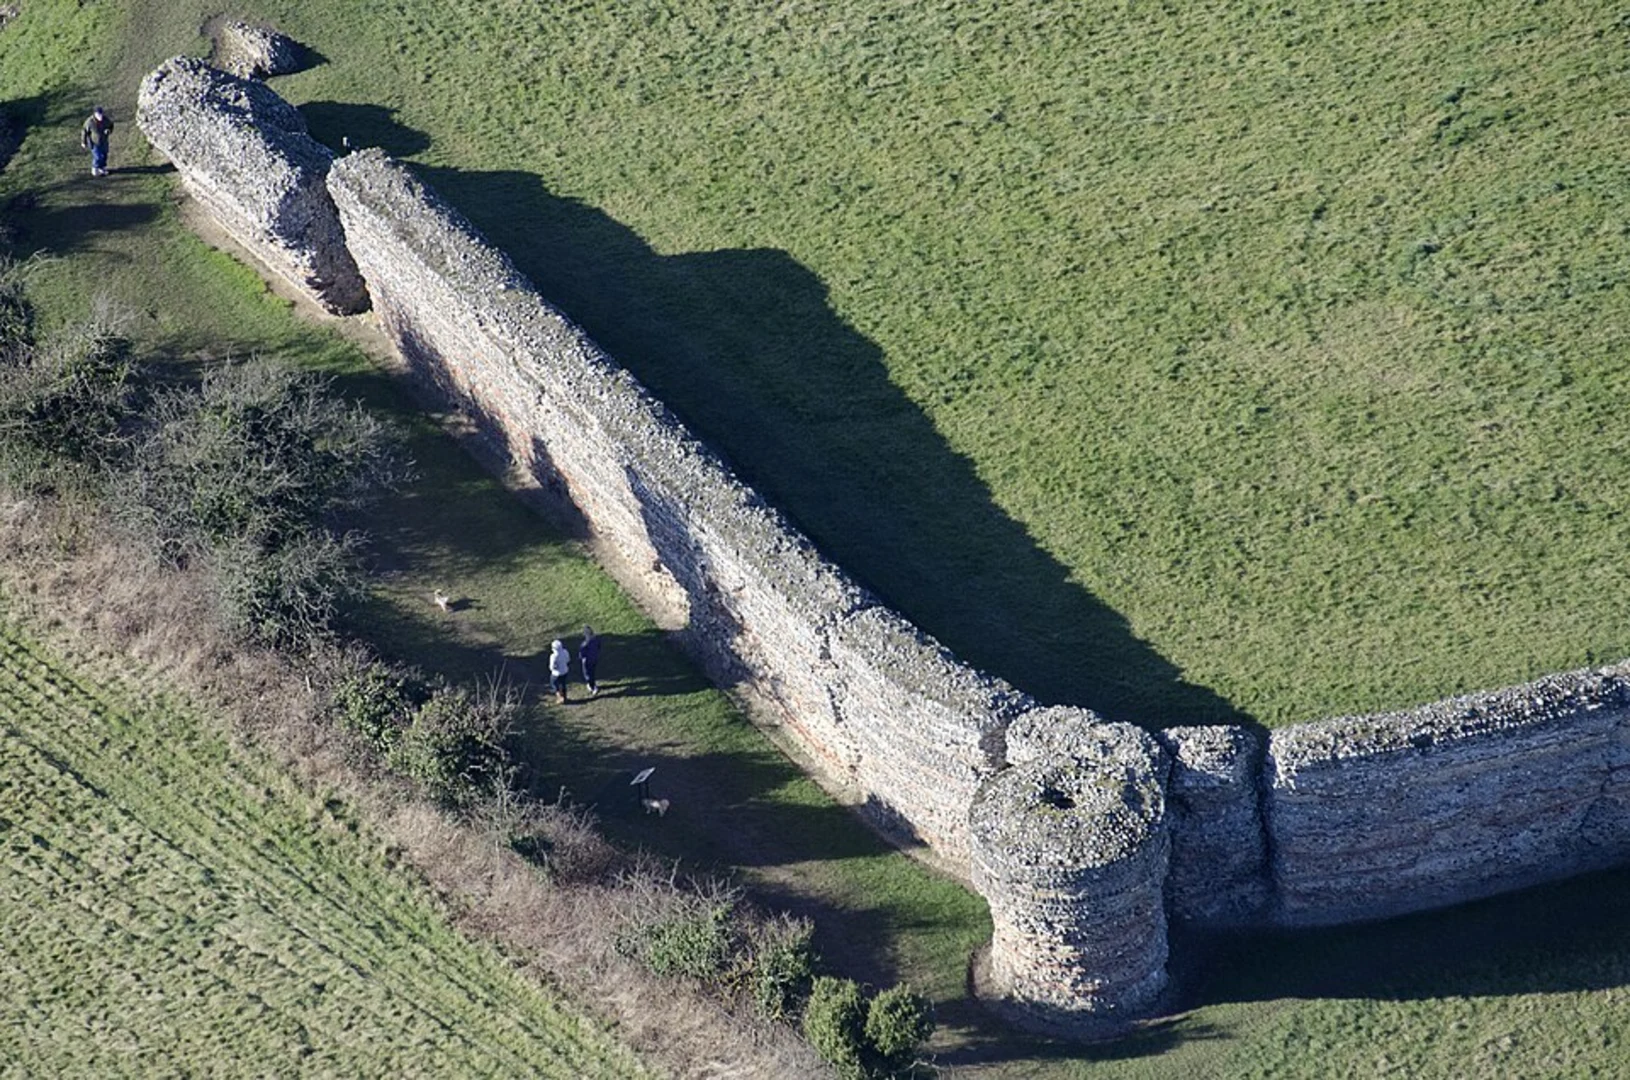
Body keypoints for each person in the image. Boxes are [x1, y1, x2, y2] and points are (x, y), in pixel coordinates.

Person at [81, 106, 113, 176]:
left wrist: (109, 130)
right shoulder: (90, 122)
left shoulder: (105, 120)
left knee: (104, 155)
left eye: (101, 114)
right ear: (95, 114)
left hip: (104, 141)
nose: (100, 116)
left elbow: (111, 125)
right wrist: (83, 142)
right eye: (98, 114)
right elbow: (84, 131)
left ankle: (102, 168)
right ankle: (95, 168)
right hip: (94, 142)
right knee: (98, 156)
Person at [579, 625, 602, 697]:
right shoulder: (596, 640)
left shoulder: (585, 644)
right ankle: (591, 684)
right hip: (595, 659)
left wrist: (582, 659)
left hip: (587, 661)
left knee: (588, 674)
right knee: (592, 672)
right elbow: (599, 646)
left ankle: (593, 687)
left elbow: (582, 654)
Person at [549, 639, 571, 704]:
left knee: (554, 684)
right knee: (563, 684)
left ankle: (560, 697)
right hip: (564, 671)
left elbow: (551, 667)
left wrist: (554, 668)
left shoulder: (553, 656)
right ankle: (565, 696)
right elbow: (568, 660)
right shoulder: (565, 652)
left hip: (556, 674)